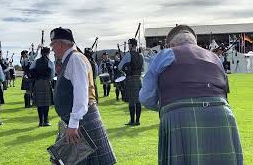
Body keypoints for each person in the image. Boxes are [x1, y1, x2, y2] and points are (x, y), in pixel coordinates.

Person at [139, 25, 243, 165]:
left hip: (179, 116)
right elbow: (224, 91)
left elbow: (146, 98)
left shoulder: (165, 55)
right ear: (195, 43)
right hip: (221, 114)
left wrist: (166, 106)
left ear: (171, 45)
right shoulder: (214, 57)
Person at [50, 27, 116, 165]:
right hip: (77, 120)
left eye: (52, 44)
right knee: (62, 161)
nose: (51, 49)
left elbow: (81, 92)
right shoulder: (71, 58)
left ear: (60, 44)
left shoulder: (75, 59)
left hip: (81, 120)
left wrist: (74, 124)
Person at [118, 38, 144, 126]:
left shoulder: (128, 55)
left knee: (132, 101)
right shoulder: (141, 55)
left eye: (129, 44)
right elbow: (143, 69)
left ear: (132, 45)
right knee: (138, 100)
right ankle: (138, 120)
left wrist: (125, 69)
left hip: (130, 79)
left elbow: (119, 67)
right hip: (139, 79)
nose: (128, 46)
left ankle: (132, 121)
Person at [30, 47, 55, 127]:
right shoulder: (50, 62)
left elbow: (31, 69)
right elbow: (53, 75)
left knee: (39, 103)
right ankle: (46, 121)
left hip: (37, 83)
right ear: (48, 53)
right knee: (46, 103)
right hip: (46, 82)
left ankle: (40, 121)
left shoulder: (36, 61)